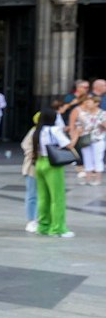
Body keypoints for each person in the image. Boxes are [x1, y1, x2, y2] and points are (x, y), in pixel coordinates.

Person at [34, 102, 76, 238]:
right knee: (57, 197)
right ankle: (57, 228)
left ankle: (43, 225)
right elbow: (68, 144)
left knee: (43, 197)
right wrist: (77, 135)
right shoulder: (54, 130)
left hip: (40, 162)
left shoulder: (37, 131)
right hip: (53, 164)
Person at [72, 88, 104, 186]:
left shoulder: (102, 114)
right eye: (86, 102)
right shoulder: (83, 114)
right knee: (87, 159)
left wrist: (100, 125)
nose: (87, 104)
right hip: (85, 139)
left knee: (97, 159)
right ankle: (88, 179)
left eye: (89, 102)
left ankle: (98, 179)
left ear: (96, 103)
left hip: (97, 140)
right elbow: (79, 126)